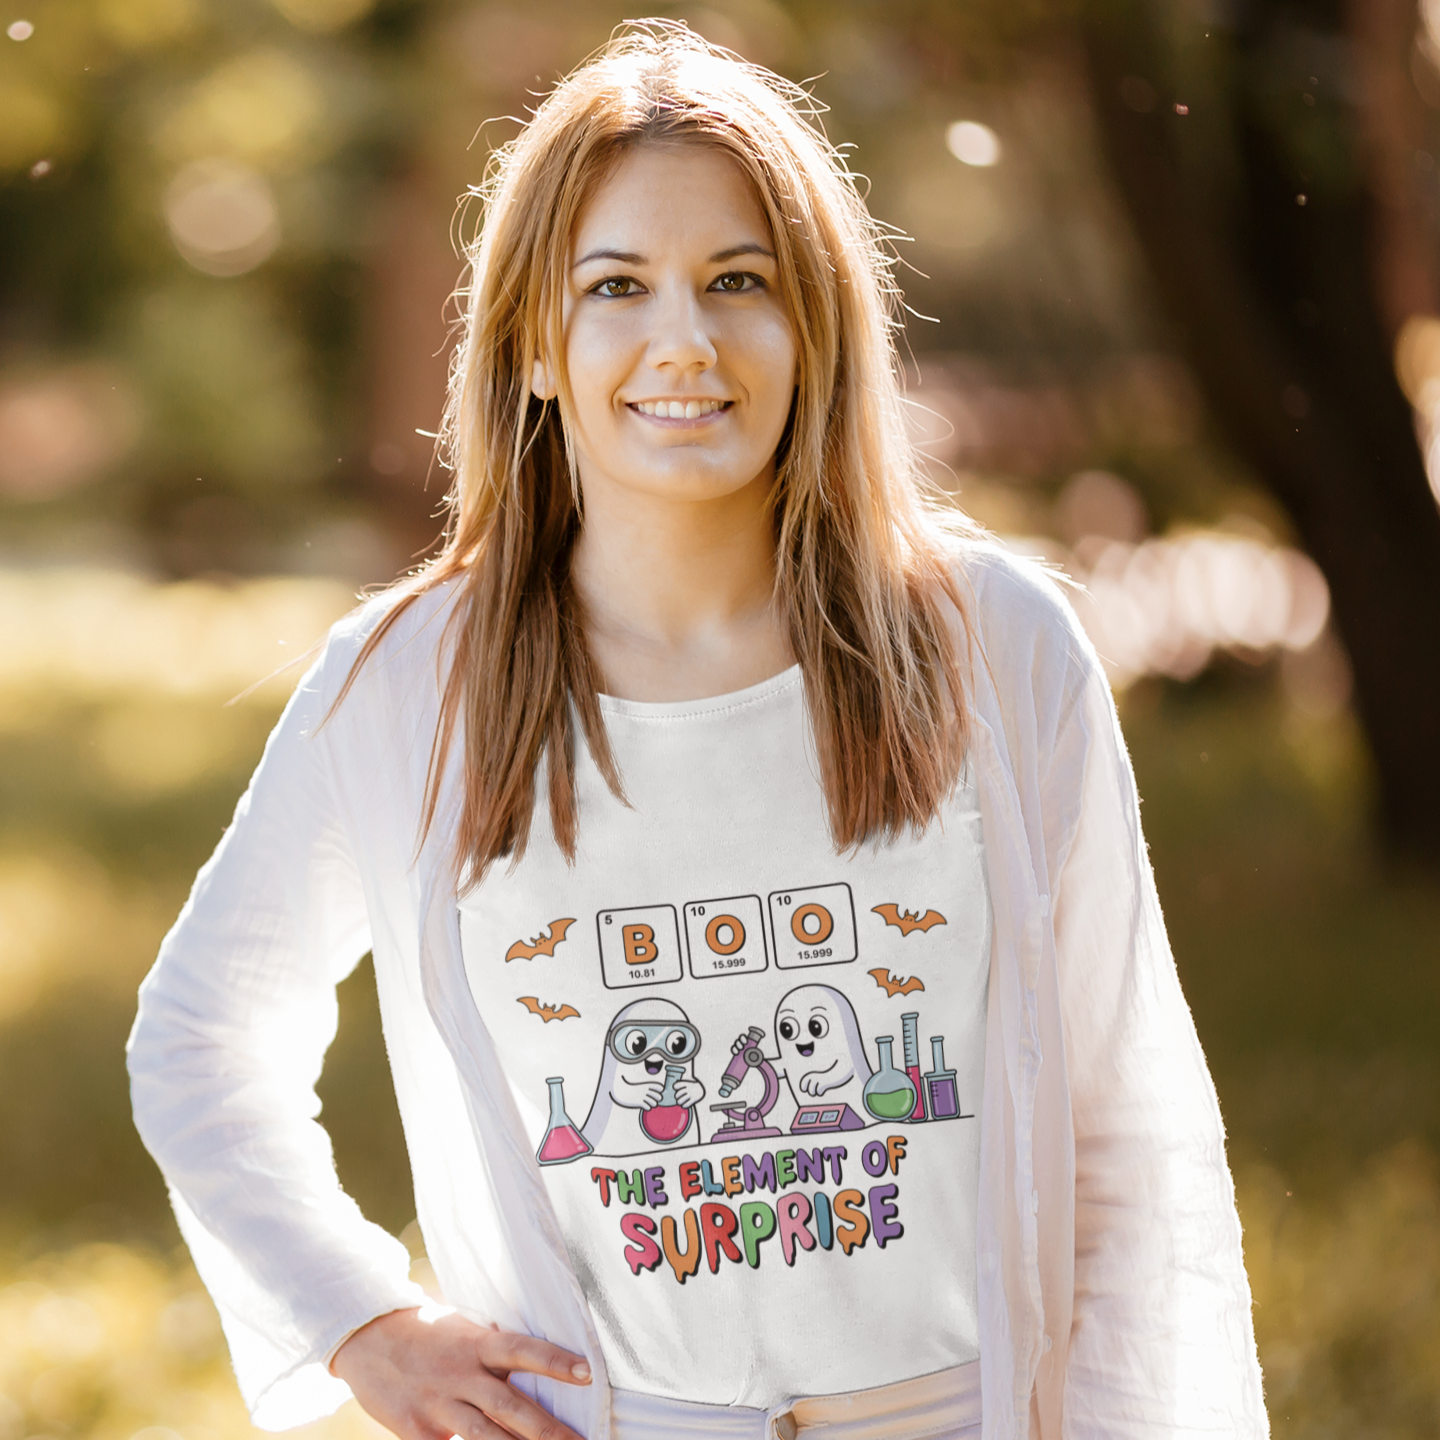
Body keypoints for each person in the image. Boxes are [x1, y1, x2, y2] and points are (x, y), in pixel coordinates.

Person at [127, 23, 1267, 1440]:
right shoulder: (413, 683)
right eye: (617, 287)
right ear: (537, 345)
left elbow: (1124, 1139)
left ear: (818, 328)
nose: (686, 342)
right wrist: (360, 1321)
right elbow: (200, 1036)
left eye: (741, 282)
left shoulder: (995, 645)